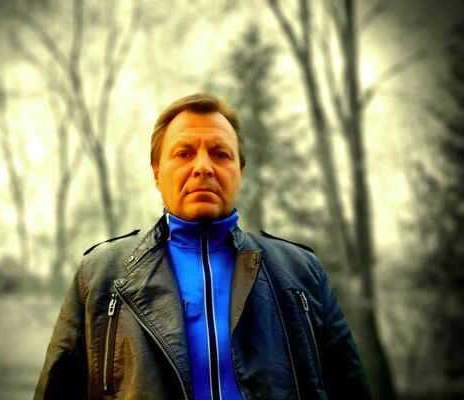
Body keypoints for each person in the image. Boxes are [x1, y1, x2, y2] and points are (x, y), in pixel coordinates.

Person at [34, 93, 372, 399]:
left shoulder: (301, 271)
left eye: (220, 154)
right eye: (183, 154)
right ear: (156, 173)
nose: (203, 168)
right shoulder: (100, 275)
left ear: (240, 171)